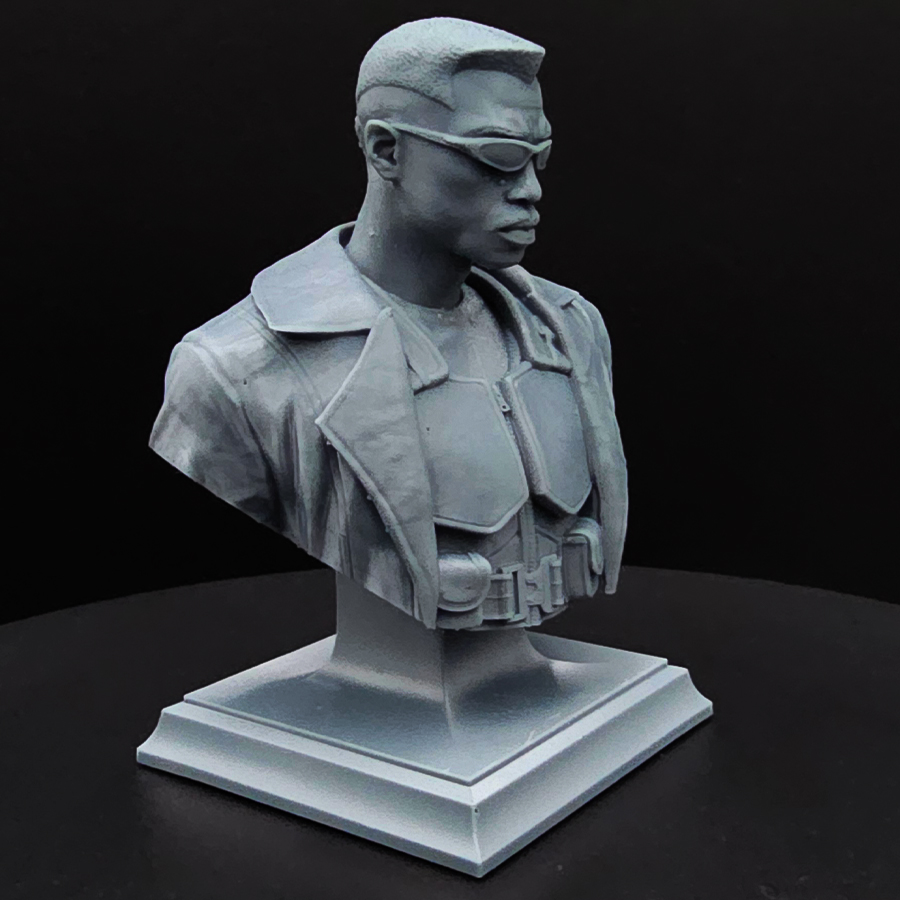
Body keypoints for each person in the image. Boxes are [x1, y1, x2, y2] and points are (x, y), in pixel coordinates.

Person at [150, 17, 628, 630]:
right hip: (374, 664)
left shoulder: (569, 330)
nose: (531, 190)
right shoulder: (235, 370)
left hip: (532, 670)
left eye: (540, 158)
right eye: (500, 159)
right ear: (386, 150)